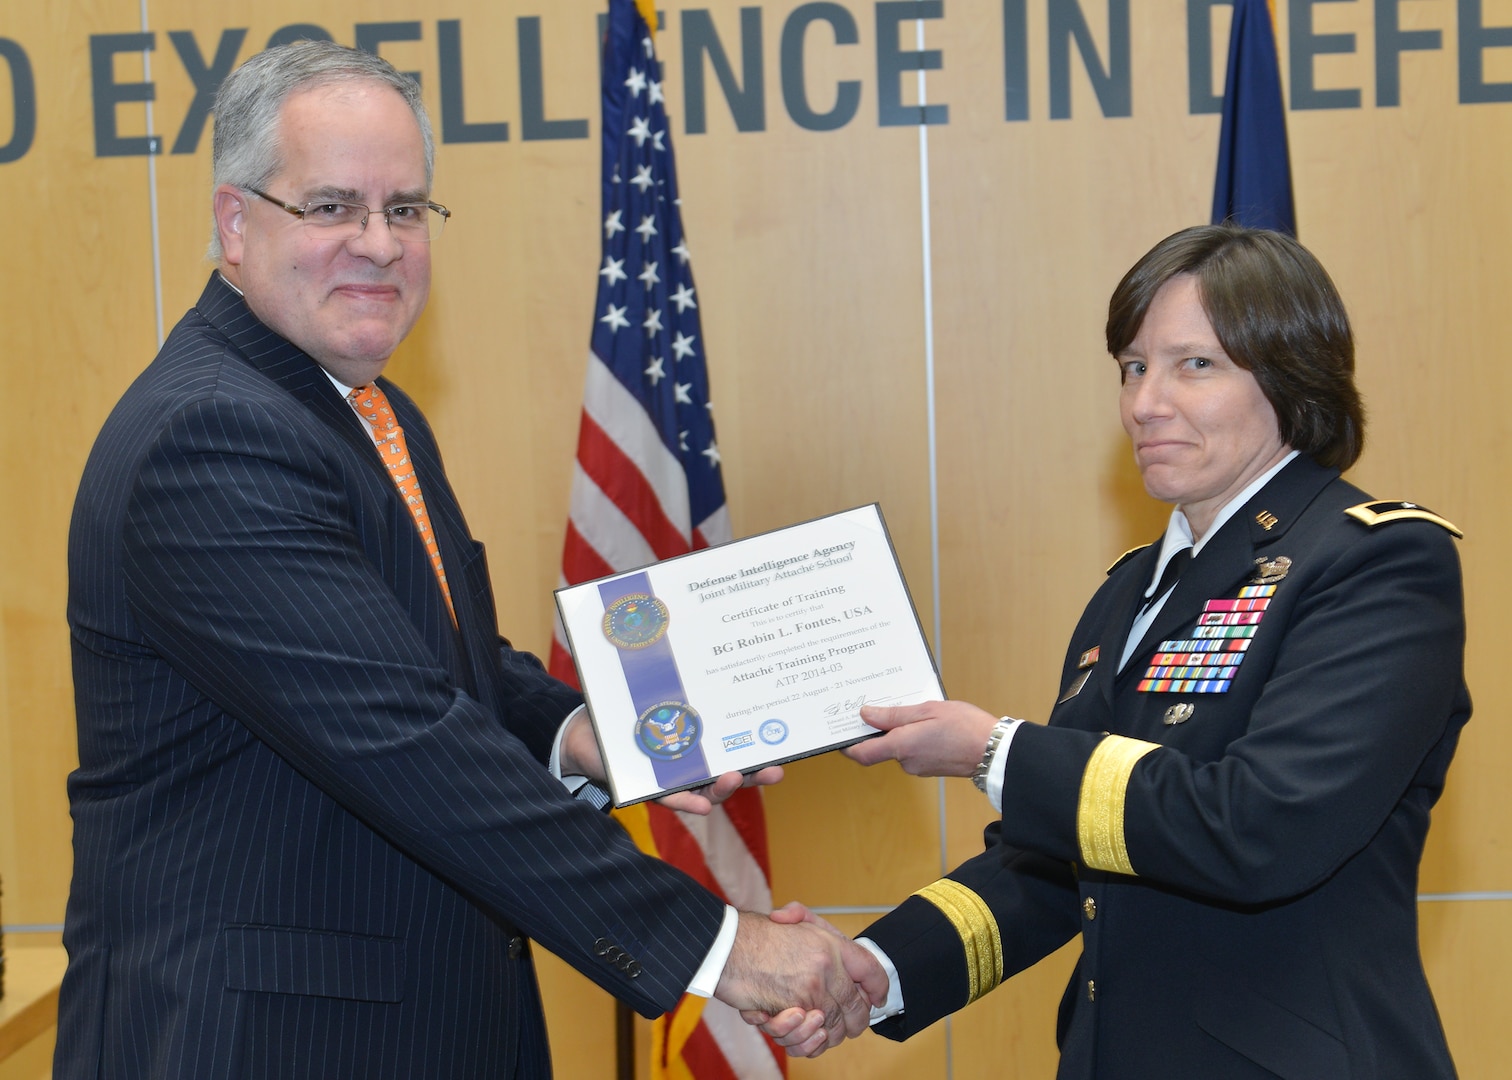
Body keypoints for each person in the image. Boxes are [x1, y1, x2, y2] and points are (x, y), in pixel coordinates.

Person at [59, 41, 883, 1079]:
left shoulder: (365, 409)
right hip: (269, 1044)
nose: (378, 242)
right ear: (235, 222)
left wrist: (605, 734)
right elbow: (408, 739)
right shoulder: (213, 439)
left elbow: (450, 668)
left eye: (405, 209)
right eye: (331, 208)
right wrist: (726, 946)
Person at [755, 224, 1469, 1078]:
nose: (1145, 402)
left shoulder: (1378, 559)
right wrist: (882, 969)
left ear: (1291, 377)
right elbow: (1064, 856)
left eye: (1194, 365)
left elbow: (1262, 826)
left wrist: (992, 751)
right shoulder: (1129, 591)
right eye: (1134, 367)